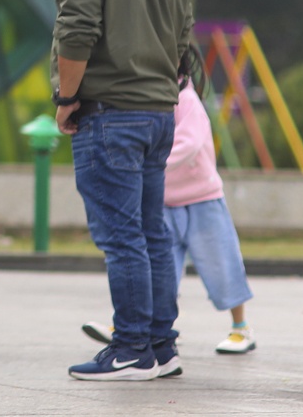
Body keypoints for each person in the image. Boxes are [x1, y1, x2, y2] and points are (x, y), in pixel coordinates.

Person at [56, 0, 196, 382]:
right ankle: (161, 346)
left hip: (109, 114)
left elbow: (76, 36)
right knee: (152, 234)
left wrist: (67, 100)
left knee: (123, 238)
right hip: (160, 114)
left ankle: (132, 347)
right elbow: (184, 43)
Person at [83, 75, 257, 357]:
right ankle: (141, 329)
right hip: (162, 201)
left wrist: (147, 165)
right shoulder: (146, 100)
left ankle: (241, 328)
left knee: (222, 264)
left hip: (202, 199)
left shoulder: (186, 99)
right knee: (157, 271)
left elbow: (190, 142)